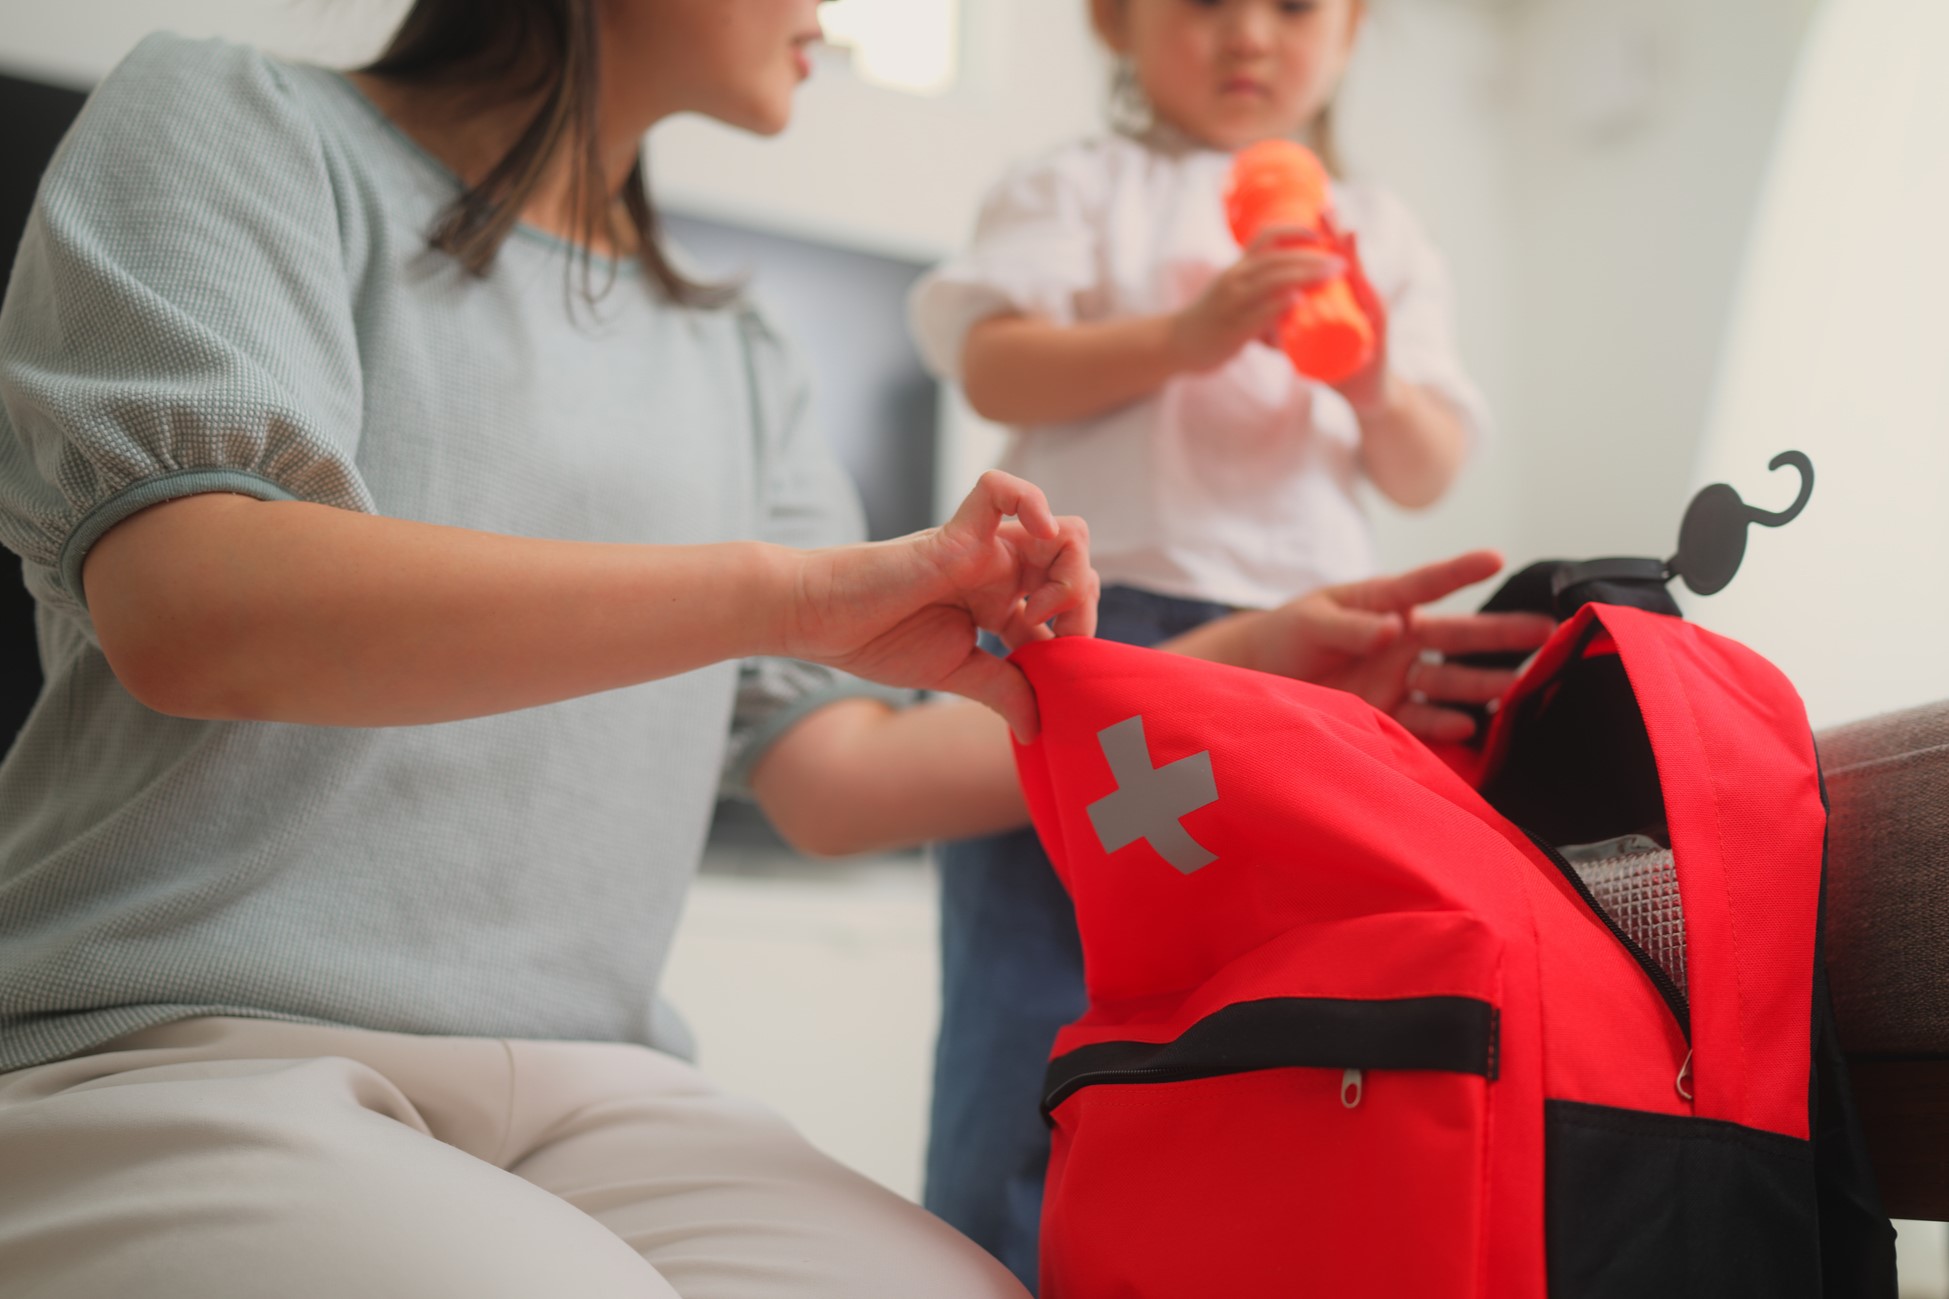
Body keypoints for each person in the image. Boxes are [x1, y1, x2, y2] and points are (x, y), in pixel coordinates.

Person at [0, 2, 1546, 1296]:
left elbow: (832, 777)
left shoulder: (738, 356)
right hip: (176, 1044)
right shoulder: (230, 121)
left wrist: (1241, 663)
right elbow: (196, 606)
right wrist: (781, 593)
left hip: (602, 1087)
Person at [908, 0, 1497, 1283]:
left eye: (1291, 8)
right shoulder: (1081, 183)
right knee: (1030, 986)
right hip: (1092, 636)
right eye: (1202, 5)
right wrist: (1186, 336)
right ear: (1114, 23)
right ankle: (989, 1260)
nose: (1247, 37)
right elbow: (995, 367)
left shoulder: (1377, 232)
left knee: (1259, 992)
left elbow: (1424, 465)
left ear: (1350, 29)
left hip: (1301, 661)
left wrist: (1368, 383)